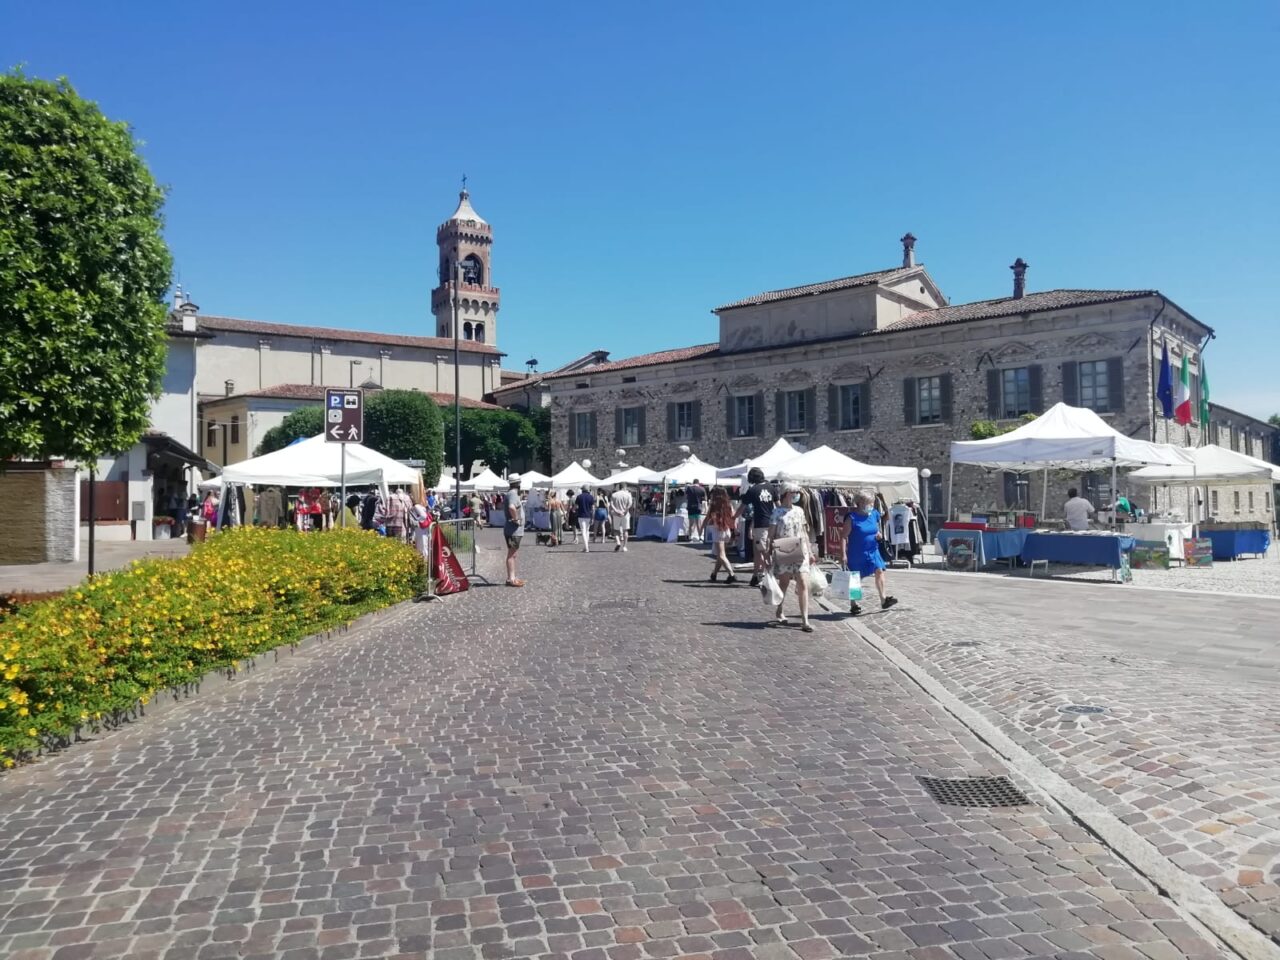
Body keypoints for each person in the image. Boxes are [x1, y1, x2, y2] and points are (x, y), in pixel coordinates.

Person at [768, 482, 816, 633]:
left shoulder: (800, 511)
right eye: (793, 492)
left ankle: (805, 619)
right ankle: (780, 609)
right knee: (784, 582)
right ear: (786, 493)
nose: (796, 495)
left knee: (803, 582)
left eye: (797, 492)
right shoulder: (777, 512)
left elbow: (804, 532)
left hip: (800, 549)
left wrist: (810, 551)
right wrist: (769, 553)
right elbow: (771, 534)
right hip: (783, 548)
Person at [843, 490, 898, 616]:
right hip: (856, 551)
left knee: (879, 570)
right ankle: (854, 604)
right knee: (856, 578)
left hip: (873, 549)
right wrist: (843, 554)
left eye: (872, 502)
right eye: (869, 502)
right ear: (860, 503)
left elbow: (884, 520)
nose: (871, 505)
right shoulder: (851, 518)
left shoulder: (873, 513)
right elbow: (843, 536)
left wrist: (877, 533)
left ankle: (883, 599)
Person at [736, 467, 777, 587]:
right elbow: (778, 505)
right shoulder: (771, 487)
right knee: (758, 551)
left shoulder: (753, 490)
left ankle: (770, 575)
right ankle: (755, 575)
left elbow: (742, 507)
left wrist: (733, 518)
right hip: (770, 523)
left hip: (760, 524)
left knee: (763, 551)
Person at [706, 487, 738, 584]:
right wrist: (735, 530)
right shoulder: (729, 505)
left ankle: (731, 574)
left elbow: (710, 518)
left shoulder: (714, 506)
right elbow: (733, 518)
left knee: (721, 555)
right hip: (727, 530)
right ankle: (714, 574)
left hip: (718, 531)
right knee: (720, 555)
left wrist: (703, 526)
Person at [503, 475, 525, 586]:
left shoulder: (512, 493)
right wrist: (516, 519)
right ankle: (511, 579)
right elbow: (511, 507)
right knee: (512, 554)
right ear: (518, 484)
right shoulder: (512, 494)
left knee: (513, 553)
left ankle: (512, 577)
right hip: (513, 530)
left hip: (514, 530)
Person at [609, 483, 634, 552]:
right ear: (625, 487)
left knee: (616, 530)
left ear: (619, 487)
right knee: (625, 530)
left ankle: (618, 542)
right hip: (625, 514)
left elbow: (611, 504)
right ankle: (624, 546)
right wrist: (625, 510)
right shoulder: (628, 494)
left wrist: (616, 510)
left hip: (616, 514)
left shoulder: (614, 495)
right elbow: (630, 504)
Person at [574, 487, 596, 551]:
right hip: (588, 515)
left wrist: (574, 509)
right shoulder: (591, 497)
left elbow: (576, 506)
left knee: (583, 531)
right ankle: (586, 546)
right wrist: (593, 517)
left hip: (581, 515)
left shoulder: (579, 497)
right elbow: (593, 508)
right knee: (587, 531)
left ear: (582, 490)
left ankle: (586, 547)